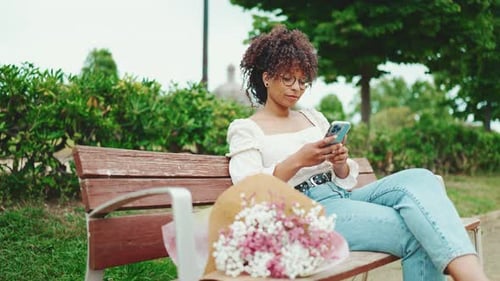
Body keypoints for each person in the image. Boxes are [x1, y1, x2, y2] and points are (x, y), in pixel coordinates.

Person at [226, 25, 489, 281]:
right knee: (419, 232)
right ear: (267, 77)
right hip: (305, 213)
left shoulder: (312, 117)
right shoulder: (246, 129)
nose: (296, 87)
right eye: (288, 78)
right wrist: (298, 160)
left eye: (302, 81)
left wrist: (339, 162)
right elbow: (248, 189)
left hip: (340, 195)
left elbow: (343, 177)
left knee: (421, 178)